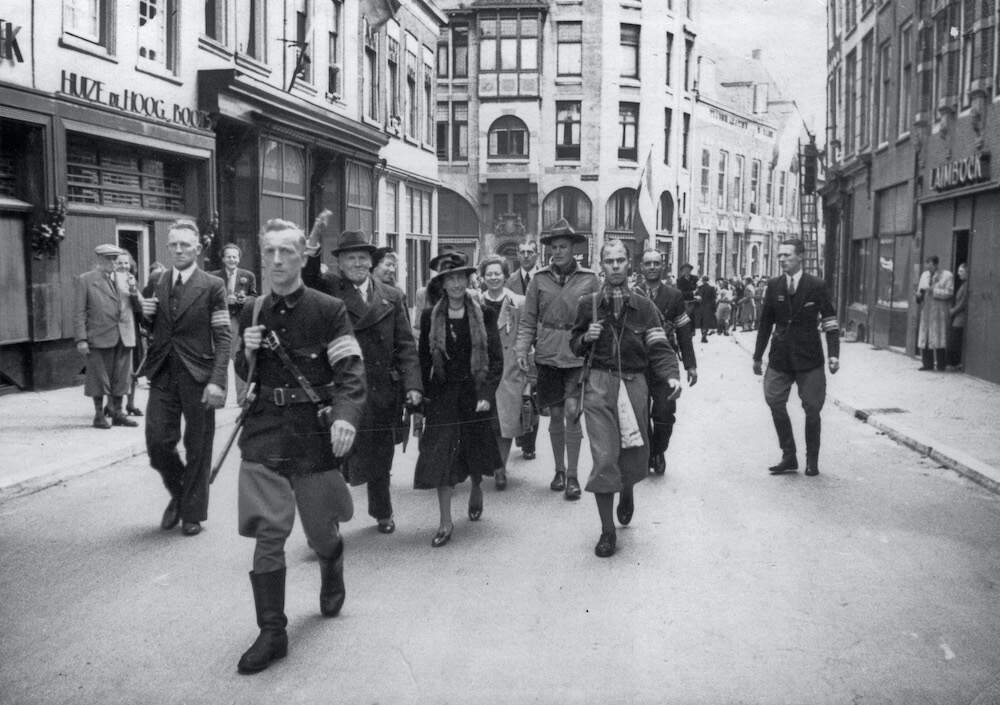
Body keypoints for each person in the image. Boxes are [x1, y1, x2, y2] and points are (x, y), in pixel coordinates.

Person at [234, 218, 366, 675]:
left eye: (286, 252)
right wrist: (244, 350)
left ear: (303, 256)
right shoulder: (252, 310)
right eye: (269, 252)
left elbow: (349, 372)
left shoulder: (329, 309)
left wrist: (346, 417)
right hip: (265, 431)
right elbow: (243, 371)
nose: (275, 261)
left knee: (319, 531)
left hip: (312, 434)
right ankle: (272, 631)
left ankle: (332, 562)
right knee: (270, 531)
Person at [303, 226, 422, 535]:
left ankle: (382, 511)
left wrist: (412, 386)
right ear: (339, 264)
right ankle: (330, 519)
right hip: (342, 389)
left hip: (383, 389)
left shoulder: (392, 296)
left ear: (371, 261)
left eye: (362, 257)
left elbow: (406, 345)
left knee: (382, 456)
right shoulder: (329, 290)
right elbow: (309, 275)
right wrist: (314, 242)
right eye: (349, 258)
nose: (357, 263)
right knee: (336, 455)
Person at [570, 240, 681, 557]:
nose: (615, 266)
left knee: (632, 453)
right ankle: (607, 532)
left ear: (628, 265)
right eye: (609, 261)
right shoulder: (588, 304)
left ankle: (627, 488)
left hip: (634, 384)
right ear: (601, 265)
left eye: (620, 260)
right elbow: (574, 345)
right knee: (604, 457)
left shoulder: (645, 307)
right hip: (599, 385)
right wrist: (584, 338)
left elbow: (659, 348)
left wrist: (671, 375)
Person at [140, 220, 230, 536]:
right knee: (157, 443)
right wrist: (145, 315)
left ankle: (192, 513)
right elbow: (152, 327)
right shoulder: (157, 281)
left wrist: (218, 380)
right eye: (173, 245)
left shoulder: (213, 286)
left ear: (197, 249)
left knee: (198, 445)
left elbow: (223, 336)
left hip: (199, 375)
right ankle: (181, 493)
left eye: (185, 245)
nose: (178, 250)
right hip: (164, 372)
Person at [415, 257, 503, 547]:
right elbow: (423, 360)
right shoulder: (430, 316)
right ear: (440, 283)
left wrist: (486, 396)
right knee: (441, 456)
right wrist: (421, 401)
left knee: (474, 447)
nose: (455, 284)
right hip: (442, 395)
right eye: (448, 278)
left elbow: (495, 360)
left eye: (460, 278)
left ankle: (477, 486)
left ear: (468, 280)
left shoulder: (484, 313)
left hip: (473, 392)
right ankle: (444, 521)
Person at [515, 219, 600, 500]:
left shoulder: (589, 279)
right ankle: (559, 470)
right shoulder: (539, 280)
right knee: (555, 414)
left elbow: (598, 321)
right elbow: (528, 320)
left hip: (577, 355)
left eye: (564, 246)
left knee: (573, 413)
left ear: (574, 249)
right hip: (548, 357)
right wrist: (521, 351)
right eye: (554, 247)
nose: (559, 251)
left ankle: (574, 476)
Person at [752, 238, 840, 477]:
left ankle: (812, 460)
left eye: (786, 256)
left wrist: (834, 355)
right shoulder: (774, 285)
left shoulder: (816, 285)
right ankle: (788, 455)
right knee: (773, 400)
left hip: (809, 357)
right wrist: (757, 356)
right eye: (779, 256)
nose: (781, 260)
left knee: (812, 408)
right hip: (780, 356)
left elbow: (830, 322)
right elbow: (765, 323)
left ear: (800, 257)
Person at [633, 249, 697, 474]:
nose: (652, 267)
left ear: (663, 266)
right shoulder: (632, 294)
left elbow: (683, 331)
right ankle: (651, 452)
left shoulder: (675, 295)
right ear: (641, 267)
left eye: (656, 263)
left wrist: (690, 364)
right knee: (639, 413)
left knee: (664, 412)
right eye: (647, 263)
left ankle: (659, 449)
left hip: (664, 363)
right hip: (638, 363)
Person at [74, 244, 142, 429]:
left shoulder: (126, 279)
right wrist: (81, 339)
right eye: (110, 259)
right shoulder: (86, 280)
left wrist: (134, 292)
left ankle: (118, 414)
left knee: (122, 376)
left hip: (124, 335)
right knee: (98, 377)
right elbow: (79, 312)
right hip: (99, 336)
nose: (114, 263)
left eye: (115, 258)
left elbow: (137, 308)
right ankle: (98, 415)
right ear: (99, 260)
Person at [480, 255, 532, 489]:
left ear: (504, 275)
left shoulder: (518, 302)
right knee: (486, 420)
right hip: (483, 367)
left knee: (506, 420)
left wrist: (524, 362)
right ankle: (486, 463)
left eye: (497, 273)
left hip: (509, 366)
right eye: (489, 274)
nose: (493, 277)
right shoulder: (475, 302)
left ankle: (500, 467)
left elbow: (525, 332)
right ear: (482, 277)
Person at [506, 239, 541, 460]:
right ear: (518, 255)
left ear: (537, 254)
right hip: (518, 342)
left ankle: (529, 442)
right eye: (522, 252)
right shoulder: (509, 281)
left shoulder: (545, 278)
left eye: (530, 252)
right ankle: (521, 431)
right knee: (519, 392)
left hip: (540, 342)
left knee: (533, 394)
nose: (526, 256)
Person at [210, 243, 258, 405]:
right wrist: (225, 299)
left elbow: (254, 296)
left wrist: (246, 299)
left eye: (235, 257)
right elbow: (208, 298)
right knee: (221, 357)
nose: (232, 259)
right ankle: (219, 399)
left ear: (239, 259)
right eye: (229, 256)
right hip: (221, 320)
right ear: (223, 259)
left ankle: (242, 398)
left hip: (239, 319)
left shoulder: (248, 276)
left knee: (239, 356)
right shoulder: (214, 276)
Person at [114, 251, 145, 416]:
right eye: (120, 263)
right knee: (117, 370)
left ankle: (130, 404)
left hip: (132, 329)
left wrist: (133, 289)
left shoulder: (131, 280)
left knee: (133, 369)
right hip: (116, 330)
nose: (123, 266)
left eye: (126, 263)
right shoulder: (110, 280)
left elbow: (139, 306)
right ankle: (113, 405)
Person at [916, 255, 955, 371]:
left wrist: (934, 290)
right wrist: (918, 295)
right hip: (926, 309)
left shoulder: (947, 275)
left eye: (930, 264)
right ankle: (927, 364)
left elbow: (949, 292)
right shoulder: (924, 275)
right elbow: (920, 290)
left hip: (939, 311)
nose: (928, 266)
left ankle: (941, 364)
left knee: (939, 337)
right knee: (926, 337)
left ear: (936, 264)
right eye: (927, 264)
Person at [947, 262, 969, 370]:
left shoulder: (966, 285)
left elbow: (963, 303)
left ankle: (955, 363)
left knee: (955, 339)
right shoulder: (964, 284)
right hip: (957, 315)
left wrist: (952, 311)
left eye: (961, 271)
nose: (958, 274)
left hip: (961, 317)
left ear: (967, 272)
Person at [695, 276, 717, 343]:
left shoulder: (699, 288)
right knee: (706, 322)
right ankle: (704, 335)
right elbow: (714, 299)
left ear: (703, 280)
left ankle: (703, 334)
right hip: (708, 307)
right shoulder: (712, 288)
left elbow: (696, 297)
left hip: (700, 307)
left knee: (701, 321)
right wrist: (714, 308)